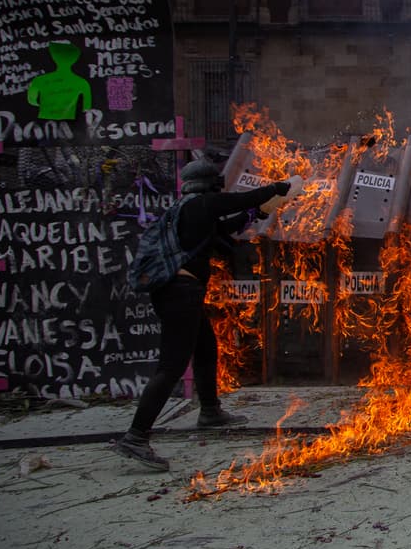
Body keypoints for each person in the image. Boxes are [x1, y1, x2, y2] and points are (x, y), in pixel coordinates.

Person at [110, 157, 292, 471]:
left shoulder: (190, 212)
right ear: (210, 184)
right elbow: (238, 200)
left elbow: (225, 231)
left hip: (180, 293)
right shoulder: (200, 204)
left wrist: (258, 213)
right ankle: (136, 436)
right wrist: (276, 188)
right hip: (180, 293)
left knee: (206, 349)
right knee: (171, 366)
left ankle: (210, 411)